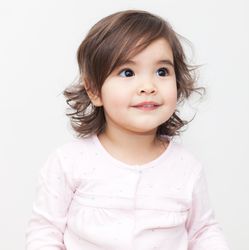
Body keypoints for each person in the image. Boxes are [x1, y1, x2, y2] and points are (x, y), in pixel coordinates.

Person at [26, 9, 230, 250]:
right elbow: (45, 230)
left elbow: (203, 231)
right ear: (94, 91)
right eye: (127, 72)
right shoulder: (69, 163)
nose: (148, 86)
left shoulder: (186, 167)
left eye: (162, 72)